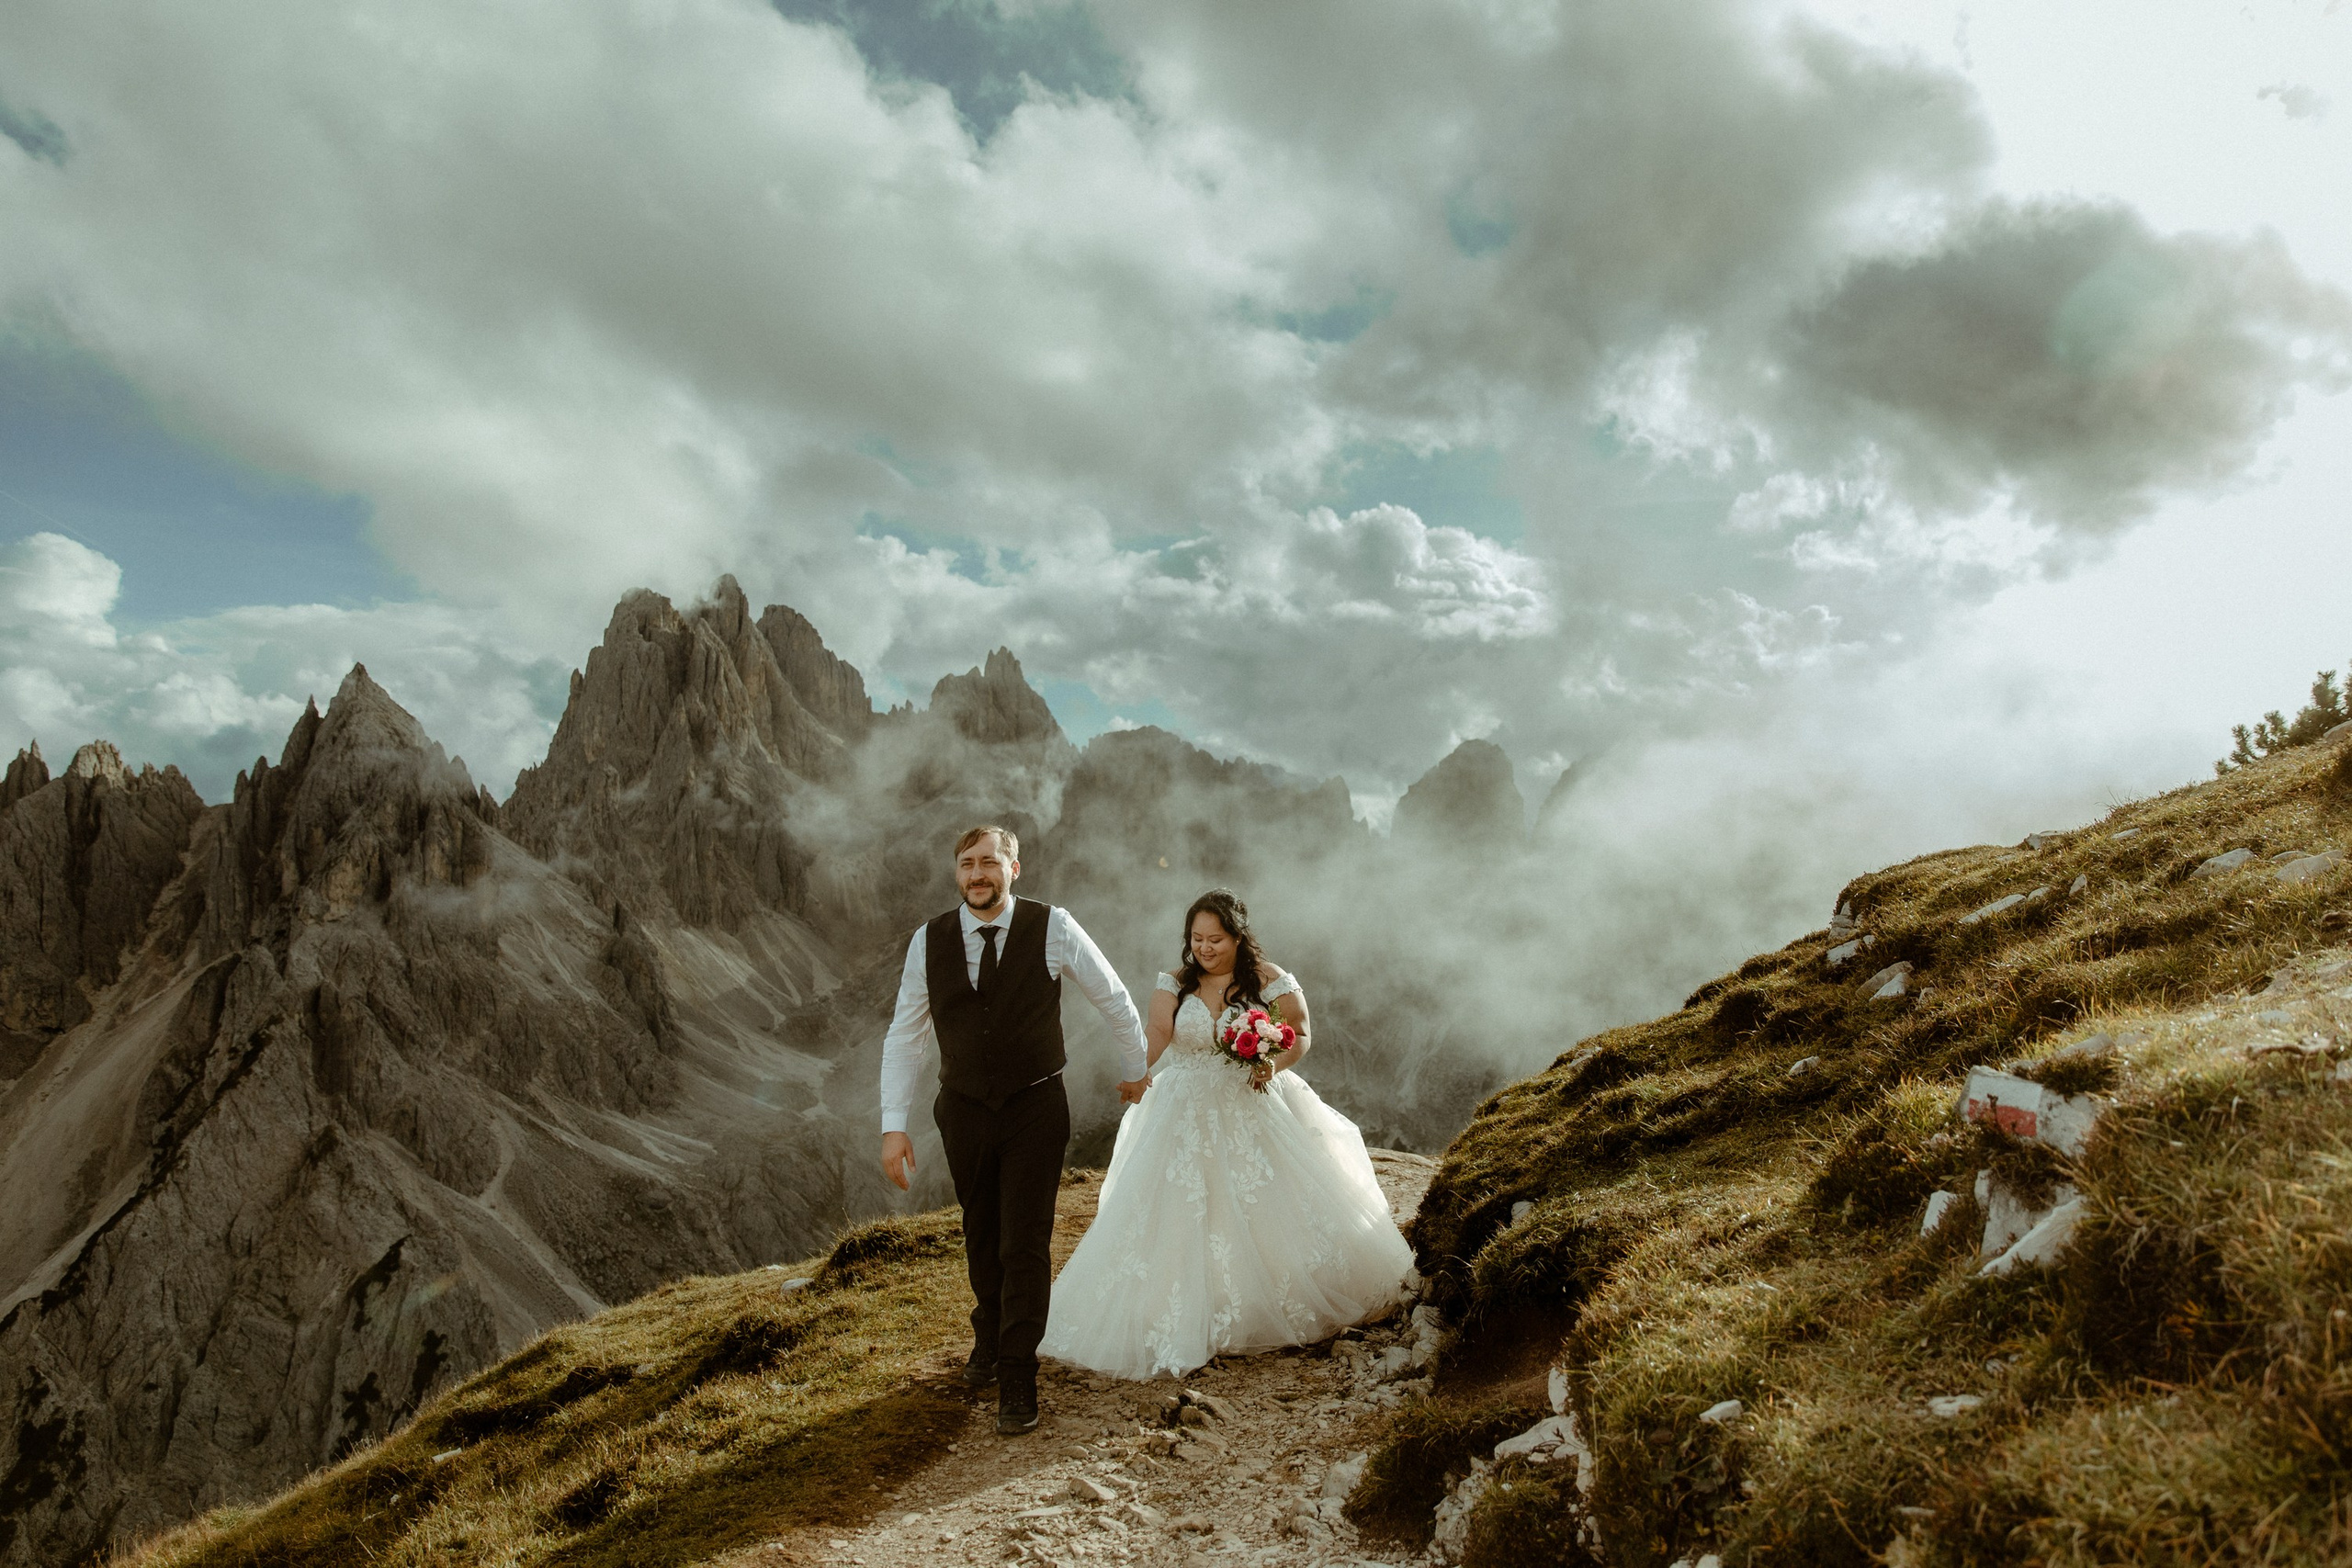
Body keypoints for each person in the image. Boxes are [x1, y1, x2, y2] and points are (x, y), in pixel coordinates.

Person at [1037, 888, 1414, 1380]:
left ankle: (1269, 1302)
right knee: (1183, 1206)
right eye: (1196, 939)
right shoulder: (1172, 983)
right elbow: (1155, 1033)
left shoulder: (1268, 979)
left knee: (1264, 1202)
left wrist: (1271, 1064)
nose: (1205, 948)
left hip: (1253, 1098)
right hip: (1184, 1107)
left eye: (1215, 939)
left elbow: (1299, 1033)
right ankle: (1188, 1306)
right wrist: (1135, 1069)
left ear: (1238, 936)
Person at [877, 825, 1149, 1435]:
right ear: (957, 873)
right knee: (980, 1228)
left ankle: (1019, 1371)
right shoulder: (930, 940)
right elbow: (905, 1036)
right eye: (968, 864)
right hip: (964, 1108)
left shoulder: (1053, 925)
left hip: (1035, 1105)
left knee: (1024, 1239)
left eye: (990, 863)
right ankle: (990, 1337)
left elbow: (1113, 997)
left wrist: (1136, 1070)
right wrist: (894, 1127)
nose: (979, 874)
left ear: (1014, 868)